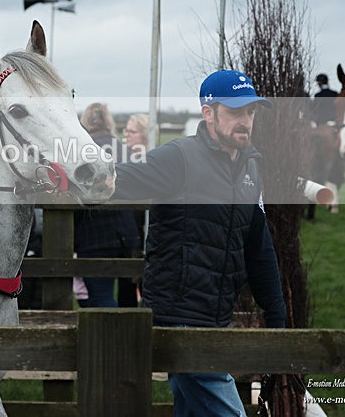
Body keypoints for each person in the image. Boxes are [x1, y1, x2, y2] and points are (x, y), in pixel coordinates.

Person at [115, 69, 286, 416]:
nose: (246, 121)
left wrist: (277, 317)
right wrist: (63, 175)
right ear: (208, 113)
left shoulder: (251, 166)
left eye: (251, 111)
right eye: (236, 111)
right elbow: (117, 179)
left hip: (215, 317)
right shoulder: (178, 157)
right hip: (179, 318)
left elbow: (258, 248)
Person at [73, 103, 139, 307]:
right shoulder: (126, 151)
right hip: (127, 233)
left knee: (101, 297)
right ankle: (132, 337)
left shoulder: (81, 153)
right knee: (128, 298)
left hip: (94, 236)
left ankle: (111, 339)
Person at [118, 112, 149, 307]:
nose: (126, 135)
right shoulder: (124, 159)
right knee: (126, 286)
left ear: (144, 135)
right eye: (125, 131)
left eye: (132, 131)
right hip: (129, 233)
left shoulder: (150, 160)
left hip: (145, 230)